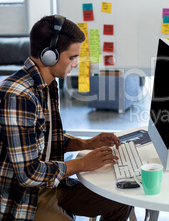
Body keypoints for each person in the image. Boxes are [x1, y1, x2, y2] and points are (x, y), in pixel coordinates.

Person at [0, 15, 132, 220]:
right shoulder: (18, 95)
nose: (76, 64)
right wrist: (83, 164)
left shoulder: (48, 82)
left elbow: (45, 140)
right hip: (25, 198)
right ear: (49, 56)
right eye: (72, 57)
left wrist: (86, 143)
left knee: (121, 202)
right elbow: (29, 174)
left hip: (53, 184)